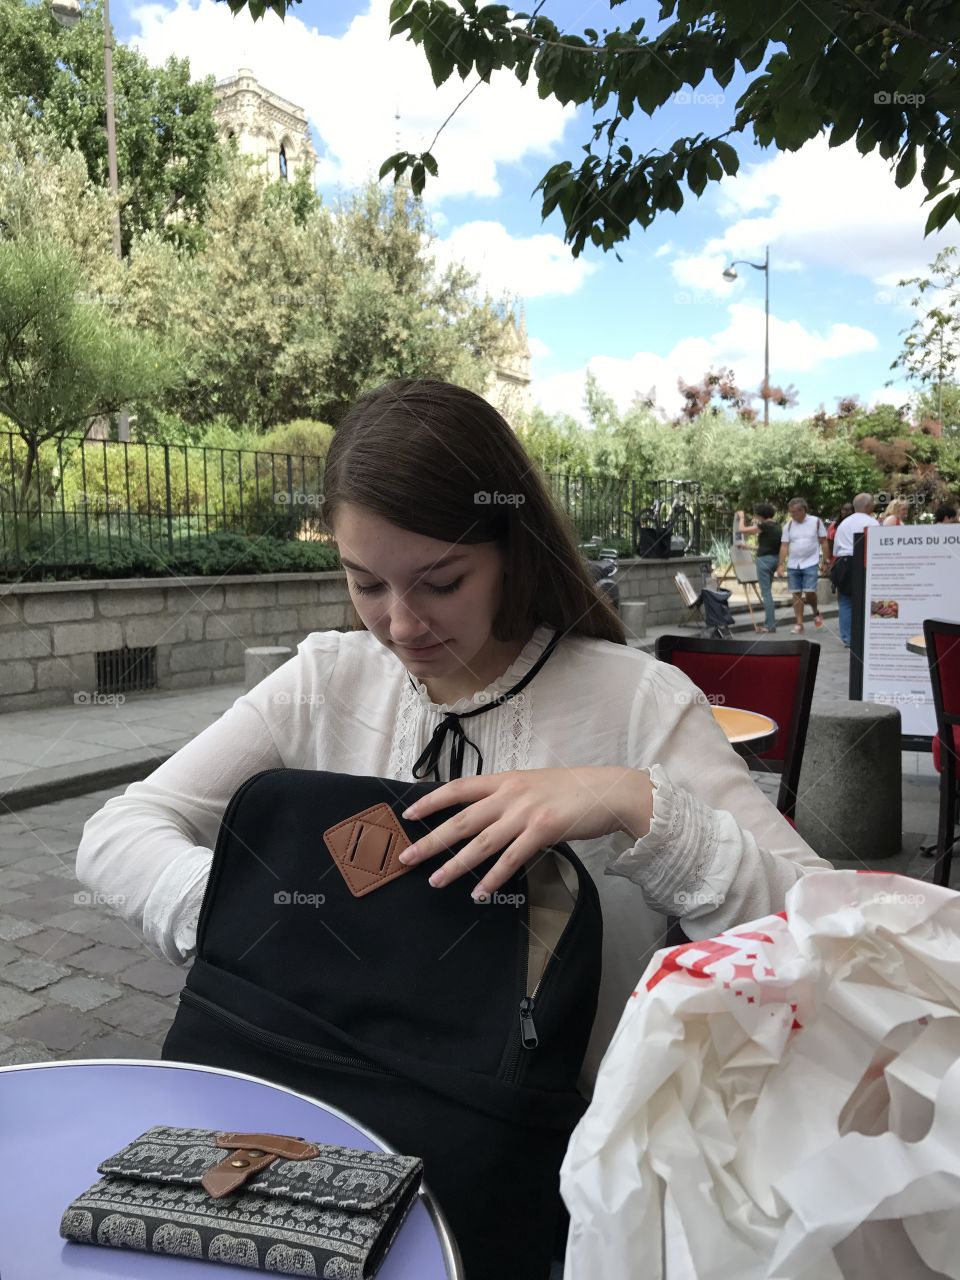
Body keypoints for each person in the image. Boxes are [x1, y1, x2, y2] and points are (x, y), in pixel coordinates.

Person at [75, 381, 829, 1127]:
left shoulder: (640, 701)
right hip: (327, 1130)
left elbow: (824, 939)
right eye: (365, 582)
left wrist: (632, 801)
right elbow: (119, 832)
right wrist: (278, 917)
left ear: (512, 549)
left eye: (441, 583)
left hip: (558, 1160)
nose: (401, 625)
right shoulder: (326, 678)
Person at [831, 492, 879, 648]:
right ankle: (866, 635)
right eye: (872, 503)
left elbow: (836, 549)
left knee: (845, 602)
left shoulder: (844, 524)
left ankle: (847, 638)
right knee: (866, 600)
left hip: (843, 563)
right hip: (863, 563)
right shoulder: (872, 523)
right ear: (868, 506)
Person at [776, 497, 829, 633]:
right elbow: (784, 545)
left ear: (803, 510)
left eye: (794, 512)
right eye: (791, 512)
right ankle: (799, 624)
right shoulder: (788, 525)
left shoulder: (816, 522)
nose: (792, 515)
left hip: (811, 562)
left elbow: (823, 542)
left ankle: (815, 612)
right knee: (796, 594)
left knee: (810, 591)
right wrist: (781, 564)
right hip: (794, 564)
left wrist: (825, 561)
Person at [736, 502, 781, 632]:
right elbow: (767, 547)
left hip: (764, 562)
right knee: (768, 592)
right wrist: (748, 547)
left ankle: (770, 625)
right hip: (774, 560)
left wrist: (742, 517)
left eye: (756, 515)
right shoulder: (777, 526)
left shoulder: (765, 525)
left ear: (761, 515)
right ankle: (770, 623)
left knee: (766, 594)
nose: (756, 517)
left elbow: (741, 530)